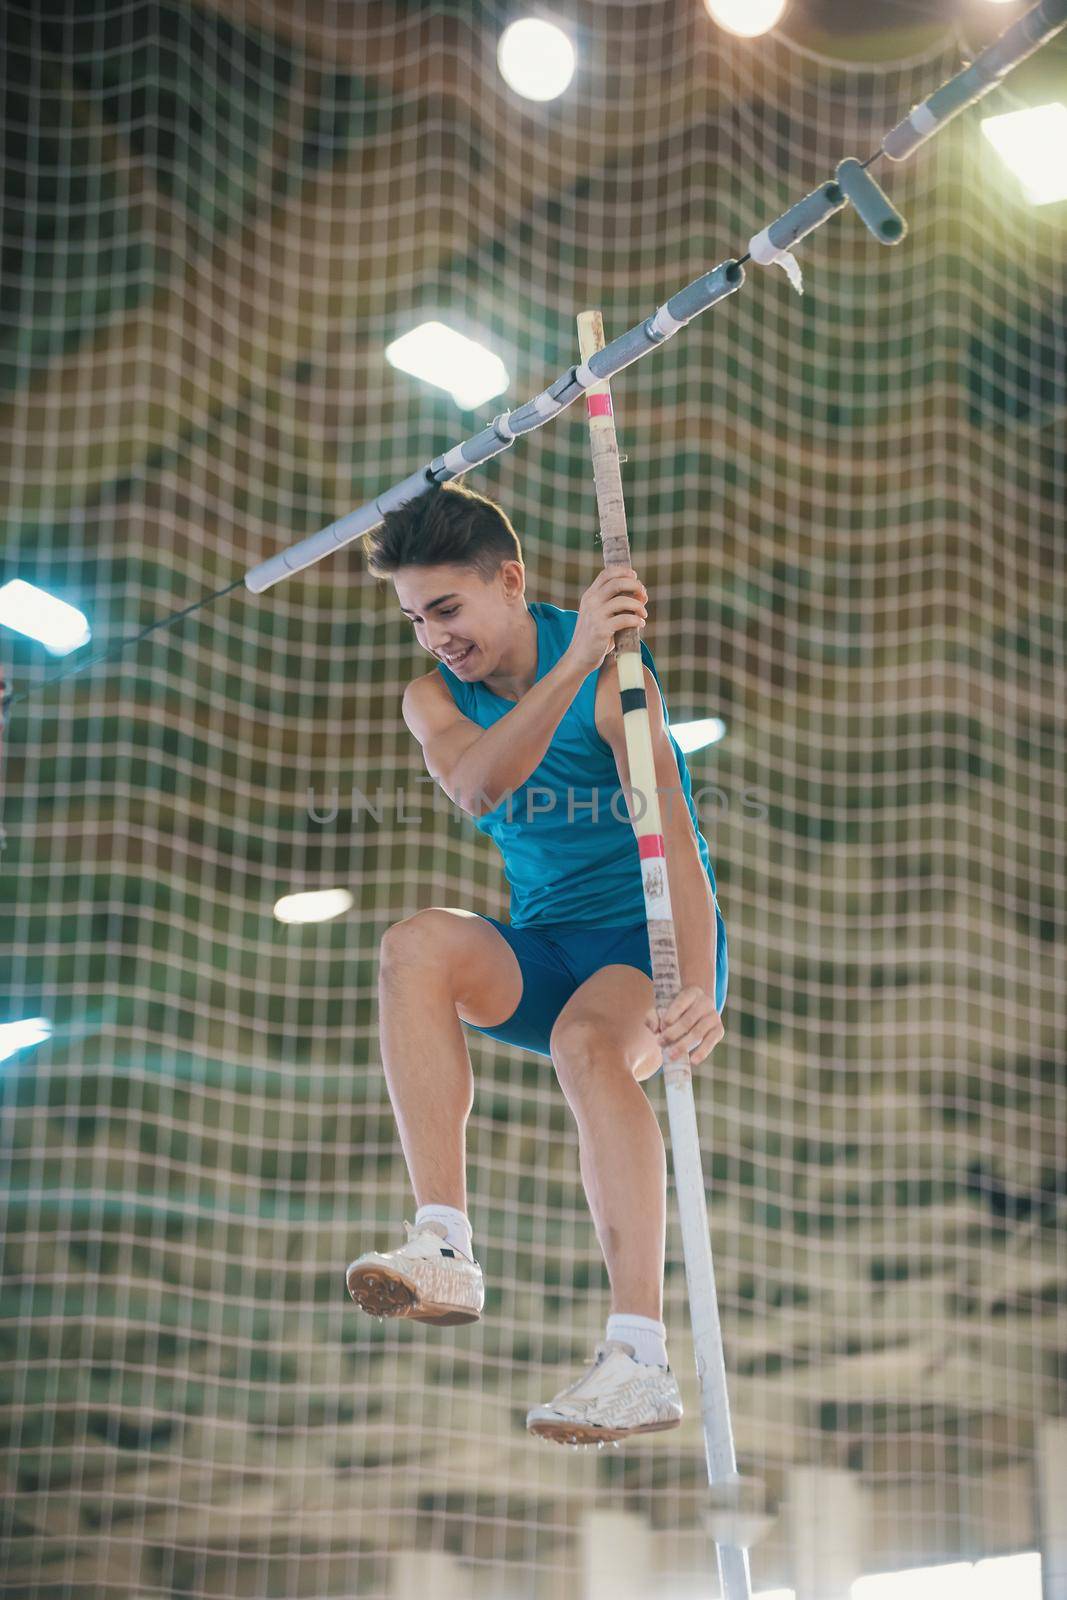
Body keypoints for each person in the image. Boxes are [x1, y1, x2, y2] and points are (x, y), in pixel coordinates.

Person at [345, 480, 728, 1446]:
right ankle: (445, 1244)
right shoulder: (434, 695)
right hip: (545, 944)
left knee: (585, 1045)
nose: (433, 636)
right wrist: (570, 665)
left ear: (508, 581)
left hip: (645, 948)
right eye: (414, 617)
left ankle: (638, 1356)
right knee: (413, 945)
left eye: (446, 608)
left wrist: (693, 982)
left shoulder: (617, 678)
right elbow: (478, 788)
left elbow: (675, 841)